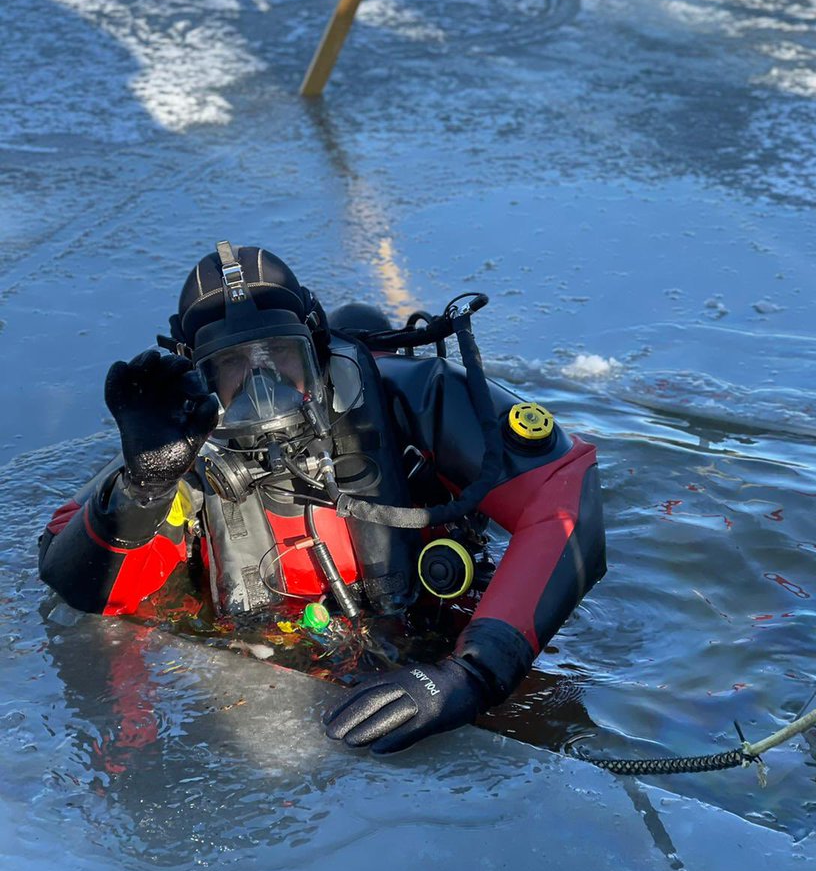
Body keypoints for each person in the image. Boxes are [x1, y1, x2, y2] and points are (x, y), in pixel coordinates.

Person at [39, 242, 606, 754]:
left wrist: (477, 672)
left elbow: (562, 491)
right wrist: (145, 486)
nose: (263, 385)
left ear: (317, 344)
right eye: (232, 364)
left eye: (280, 354)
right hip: (275, 656)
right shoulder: (177, 448)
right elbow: (76, 580)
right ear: (196, 375)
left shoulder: (415, 397)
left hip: (440, 628)